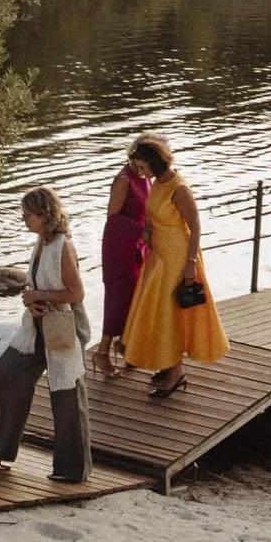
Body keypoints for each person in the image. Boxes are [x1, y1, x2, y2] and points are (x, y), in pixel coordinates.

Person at [0, 187, 91, 483]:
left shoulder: (63, 246)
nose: (24, 220)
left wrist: (39, 295)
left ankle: (72, 469)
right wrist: (32, 298)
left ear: (44, 215)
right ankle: (2, 449)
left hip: (64, 327)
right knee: (5, 373)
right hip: (36, 327)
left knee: (66, 396)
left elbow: (76, 293)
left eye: (27, 215)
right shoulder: (42, 241)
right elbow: (40, 285)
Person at [120, 138, 230, 396]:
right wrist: (147, 230)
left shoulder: (179, 188)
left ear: (153, 161)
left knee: (170, 313)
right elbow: (152, 213)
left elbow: (195, 226)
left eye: (140, 165)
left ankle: (176, 373)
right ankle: (169, 365)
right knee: (160, 313)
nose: (138, 170)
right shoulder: (158, 182)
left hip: (178, 257)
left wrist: (191, 263)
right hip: (159, 257)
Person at [95, 142, 155, 378]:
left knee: (134, 295)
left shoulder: (145, 176)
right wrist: (142, 232)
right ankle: (102, 352)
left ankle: (125, 345)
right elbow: (113, 216)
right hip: (119, 245)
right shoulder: (124, 179)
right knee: (117, 299)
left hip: (137, 243)